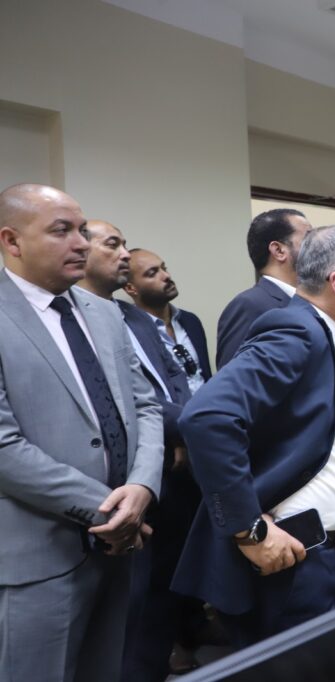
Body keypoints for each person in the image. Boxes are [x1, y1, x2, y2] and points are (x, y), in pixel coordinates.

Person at [173, 225, 335, 645]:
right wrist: (249, 529)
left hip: (330, 550)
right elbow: (206, 417)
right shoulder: (296, 330)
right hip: (288, 557)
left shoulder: (332, 336)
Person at [0, 184, 163, 682]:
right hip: (39, 558)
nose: (81, 244)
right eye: (62, 231)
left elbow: (145, 406)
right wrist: (111, 510)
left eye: (82, 231)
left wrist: (143, 486)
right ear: (11, 241)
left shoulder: (104, 312)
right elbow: (4, 447)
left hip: (119, 550)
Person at [77, 222, 203, 679]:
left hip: (161, 476)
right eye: (114, 245)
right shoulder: (73, 318)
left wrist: (184, 436)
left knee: (158, 591)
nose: (126, 254)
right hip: (102, 487)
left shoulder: (132, 319)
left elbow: (164, 390)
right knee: (122, 607)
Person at [215, 208, 312, 368]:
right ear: (279, 251)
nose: (318, 247)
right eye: (308, 239)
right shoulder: (249, 305)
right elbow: (233, 377)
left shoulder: (308, 301)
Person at [124, 249, 212, 396]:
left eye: (164, 268)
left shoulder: (190, 321)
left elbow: (204, 375)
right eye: (152, 273)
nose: (166, 276)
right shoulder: (129, 333)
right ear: (130, 288)